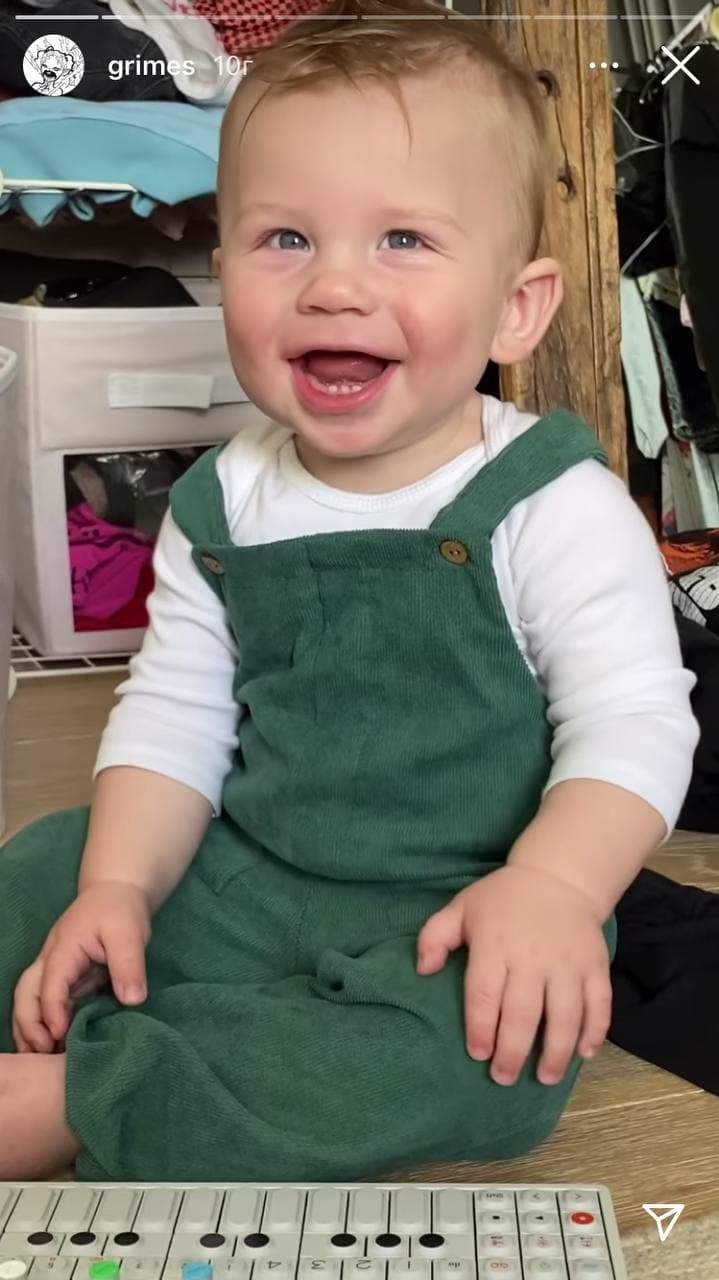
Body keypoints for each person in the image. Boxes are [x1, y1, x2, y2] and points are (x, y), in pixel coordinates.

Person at [0, 0, 699, 1182]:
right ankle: (189, 1023)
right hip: (244, 870)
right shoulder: (222, 499)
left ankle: (87, 1094)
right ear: (220, 266)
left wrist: (551, 887)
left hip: (456, 910)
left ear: (515, 307)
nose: (332, 285)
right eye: (283, 238)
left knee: (485, 1063)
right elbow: (173, 716)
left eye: (402, 240)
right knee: (47, 866)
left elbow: (630, 721)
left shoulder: (552, 502)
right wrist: (118, 885)